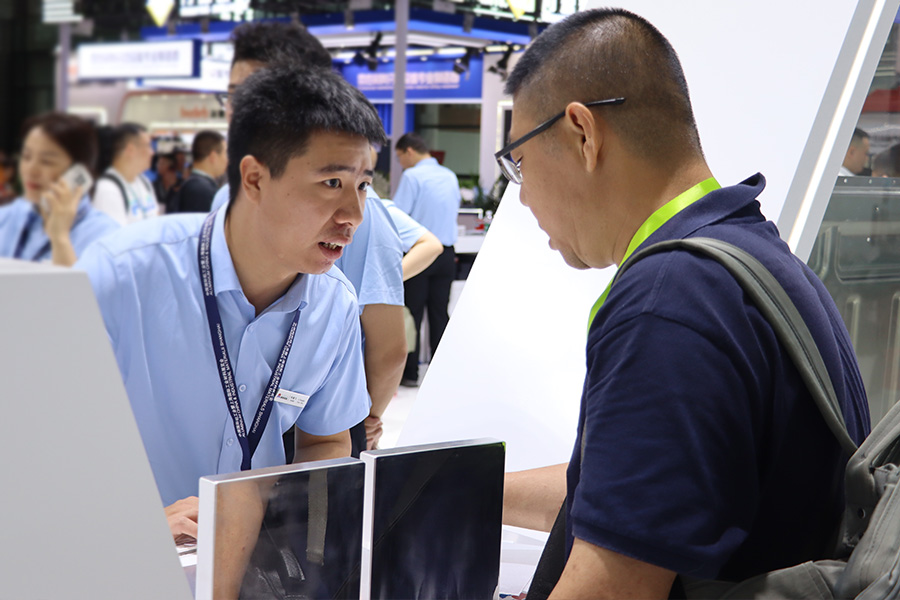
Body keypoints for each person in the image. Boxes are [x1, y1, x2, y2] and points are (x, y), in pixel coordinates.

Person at [497, 9, 870, 598]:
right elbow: (635, 496)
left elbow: (613, 589)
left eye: (519, 162)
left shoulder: (666, 304)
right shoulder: (747, 260)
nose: (521, 197)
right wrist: (470, 491)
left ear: (582, 133)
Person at [76, 65, 385, 540]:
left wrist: (276, 518)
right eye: (332, 184)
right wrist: (133, 525)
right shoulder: (121, 275)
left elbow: (325, 440)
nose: (354, 215)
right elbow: (41, 441)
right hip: (118, 553)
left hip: (250, 564)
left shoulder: (334, 305)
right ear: (255, 178)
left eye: (363, 185)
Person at [211, 21, 406, 455]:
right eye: (234, 97)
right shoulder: (224, 201)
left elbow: (389, 343)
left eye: (258, 97)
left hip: (307, 418)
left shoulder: (359, 214)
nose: (238, 115)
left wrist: (363, 417)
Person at [0, 112, 118, 265]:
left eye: (46, 161)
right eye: (26, 156)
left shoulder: (104, 235)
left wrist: (60, 238)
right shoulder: (8, 216)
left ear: (78, 173)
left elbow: (81, 282)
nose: (31, 170)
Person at [393, 132, 462, 386]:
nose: (401, 163)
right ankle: (441, 375)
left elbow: (397, 217)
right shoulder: (450, 175)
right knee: (439, 313)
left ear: (409, 151)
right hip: (446, 254)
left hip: (419, 252)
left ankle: (410, 374)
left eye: (400, 157)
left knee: (412, 313)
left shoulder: (412, 176)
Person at [93, 123, 160, 225]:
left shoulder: (144, 182)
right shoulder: (107, 189)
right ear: (130, 150)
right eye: (148, 145)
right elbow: (115, 233)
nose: (152, 152)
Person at [171, 130, 227, 213]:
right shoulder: (201, 189)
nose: (227, 159)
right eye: (225, 153)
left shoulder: (196, 185)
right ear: (213, 156)